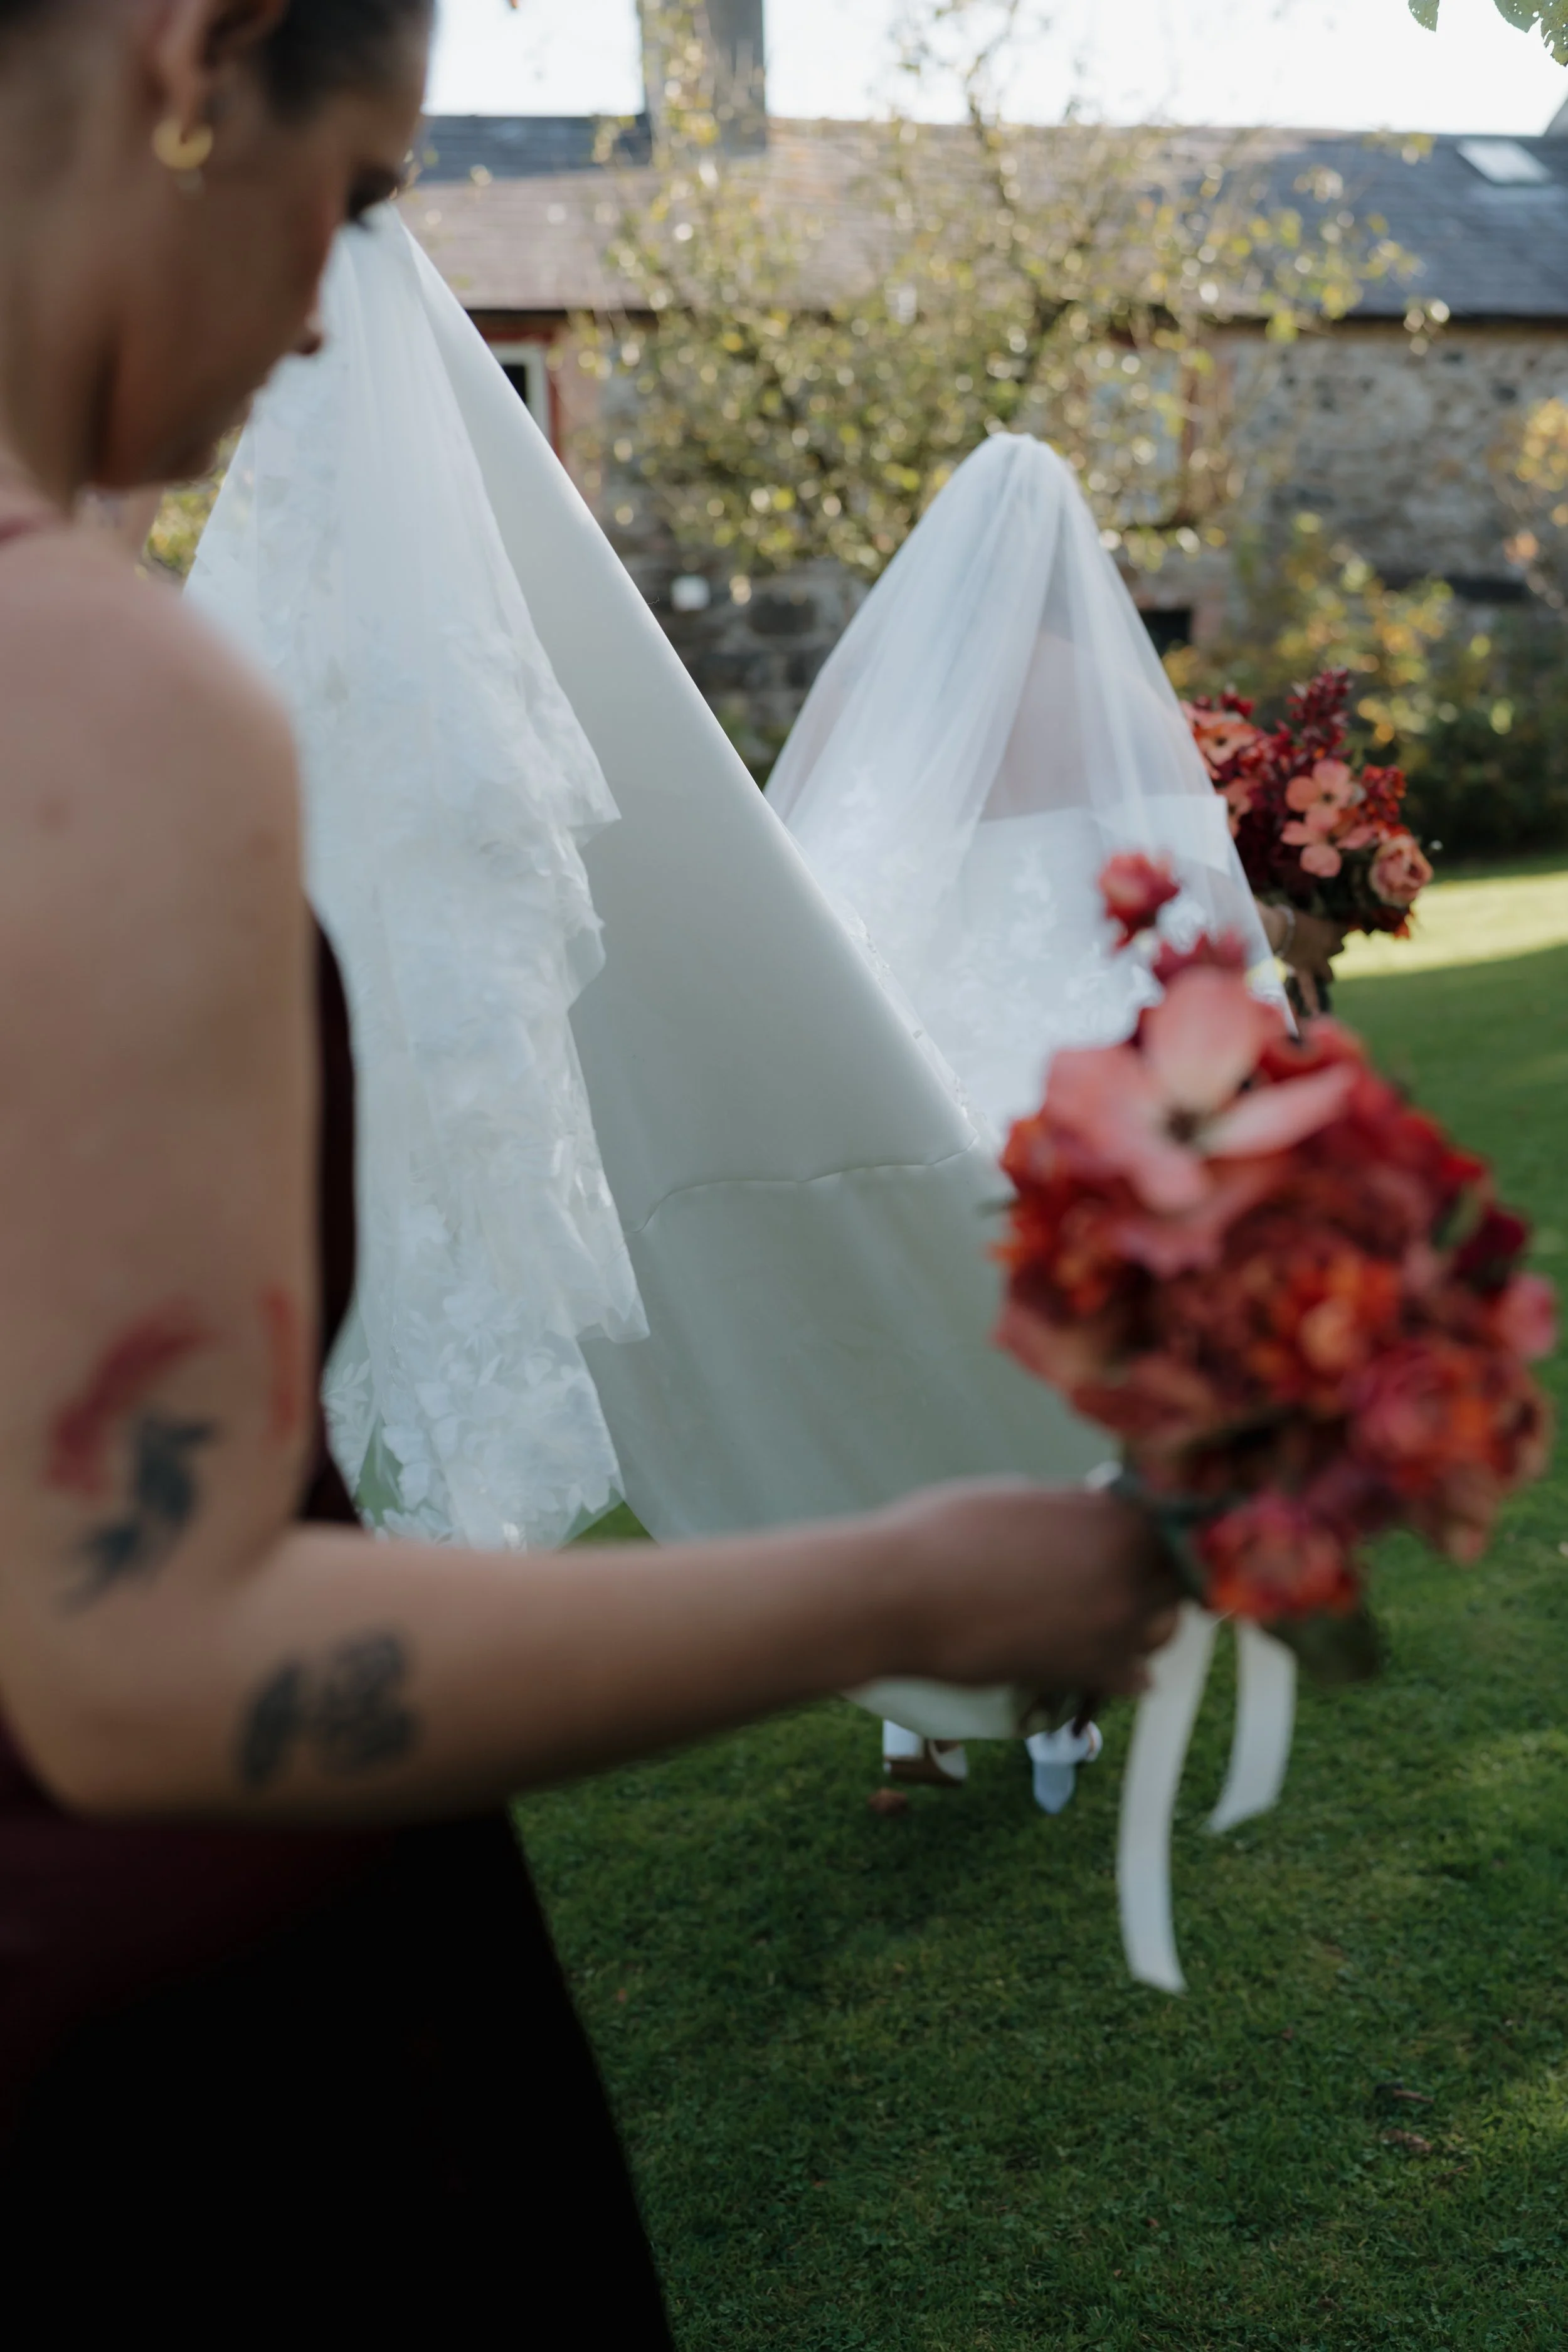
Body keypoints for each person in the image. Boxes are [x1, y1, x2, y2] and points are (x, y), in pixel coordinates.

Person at [0, 0, 1177, 2331]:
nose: (326, 314)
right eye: (352, 198)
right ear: (198, 60)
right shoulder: (100, 704)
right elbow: (140, 1668)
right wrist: (910, 1580)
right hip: (175, 2070)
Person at [767, 431, 1279, 1809]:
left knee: (917, 1382)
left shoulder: (870, 688)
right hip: (1071, 1101)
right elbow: (1200, 912)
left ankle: (913, 1721)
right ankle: (1059, 1705)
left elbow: (805, 888)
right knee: (1066, 1404)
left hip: (914, 1087)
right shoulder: (1110, 688)